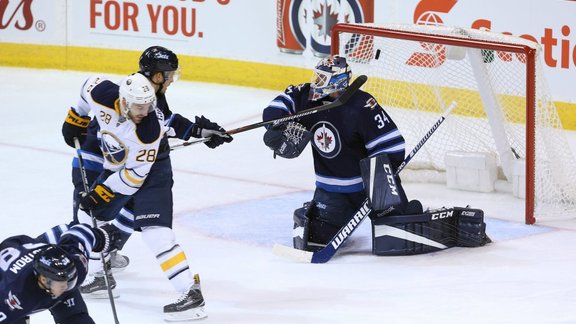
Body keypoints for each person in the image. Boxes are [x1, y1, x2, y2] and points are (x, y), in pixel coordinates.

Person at [62, 55, 231, 320]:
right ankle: (97, 275)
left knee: (156, 233)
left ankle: (190, 293)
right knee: (86, 213)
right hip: (116, 166)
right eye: (138, 107)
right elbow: (86, 87)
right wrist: (77, 117)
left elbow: (134, 178)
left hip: (152, 174)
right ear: (124, 101)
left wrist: (103, 192)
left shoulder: (148, 130)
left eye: (147, 106)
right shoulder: (104, 93)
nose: (144, 112)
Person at [262, 55, 417, 252]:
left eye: (321, 78)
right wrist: (275, 124)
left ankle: (403, 214)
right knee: (316, 239)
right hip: (331, 191)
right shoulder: (306, 97)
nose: (315, 82)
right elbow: (279, 105)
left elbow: (391, 145)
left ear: (336, 82)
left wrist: (379, 181)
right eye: (317, 76)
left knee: (398, 237)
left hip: (370, 187)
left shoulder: (363, 105)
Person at [0, 223, 116, 323]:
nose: (66, 286)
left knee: (75, 317)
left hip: (33, 251)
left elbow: (79, 234)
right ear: (44, 280)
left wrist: (101, 237)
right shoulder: (16, 293)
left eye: (70, 281)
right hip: (10, 267)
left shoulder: (77, 264)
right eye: (62, 284)